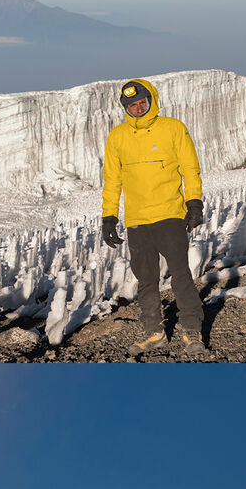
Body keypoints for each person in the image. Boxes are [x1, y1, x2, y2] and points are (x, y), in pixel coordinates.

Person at [101, 78, 206, 356]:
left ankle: (192, 330)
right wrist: (109, 217)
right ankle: (154, 332)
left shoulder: (173, 129)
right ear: (125, 107)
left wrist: (194, 203)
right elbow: (112, 180)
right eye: (131, 105)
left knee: (180, 274)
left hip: (170, 214)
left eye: (141, 103)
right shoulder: (117, 137)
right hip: (137, 221)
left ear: (151, 101)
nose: (137, 108)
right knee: (146, 279)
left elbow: (189, 168)